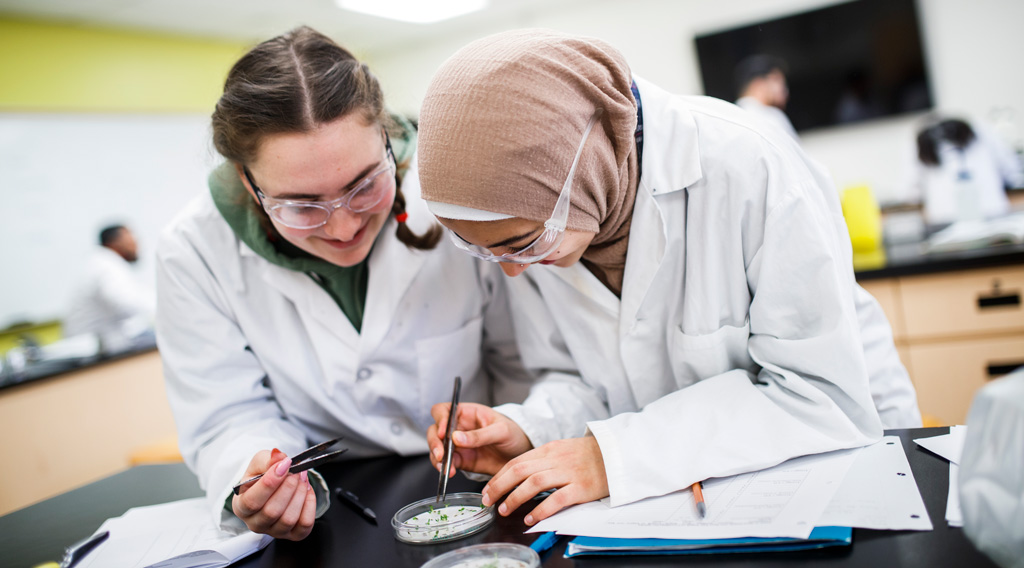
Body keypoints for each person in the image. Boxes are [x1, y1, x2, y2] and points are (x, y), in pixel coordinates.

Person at [415, 29, 888, 527]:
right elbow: (583, 375)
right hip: (677, 499)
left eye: (522, 242)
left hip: (825, 474)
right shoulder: (542, 227)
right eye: (481, 249)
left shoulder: (749, 165)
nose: (512, 268)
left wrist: (611, 457)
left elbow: (817, 396)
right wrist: (527, 428)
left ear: (586, 167)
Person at [155, 26, 531, 540]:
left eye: (363, 186)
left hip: (486, 485)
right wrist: (255, 472)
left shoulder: (453, 196)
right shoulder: (193, 250)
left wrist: (521, 424)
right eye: (302, 206)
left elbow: (535, 361)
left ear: (387, 139)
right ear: (249, 182)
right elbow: (224, 413)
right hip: (332, 507)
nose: (343, 226)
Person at [736, 56, 921, 430]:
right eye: (781, 83)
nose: (784, 93)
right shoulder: (766, 122)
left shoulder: (732, 120)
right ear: (766, 82)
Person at [907, 117, 1024, 226]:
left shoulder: (921, 141)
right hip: (991, 216)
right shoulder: (983, 130)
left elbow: (911, 191)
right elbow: (1012, 172)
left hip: (944, 221)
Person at [64, 224, 155, 351]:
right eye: (131, 239)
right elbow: (125, 304)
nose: (136, 245)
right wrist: (161, 308)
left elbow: (135, 296)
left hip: (102, 343)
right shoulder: (106, 265)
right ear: (115, 242)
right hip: (94, 348)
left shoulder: (104, 262)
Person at [734, 54, 798, 141]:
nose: (784, 90)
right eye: (777, 80)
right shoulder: (771, 116)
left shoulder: (732, 116)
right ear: (758, 83)